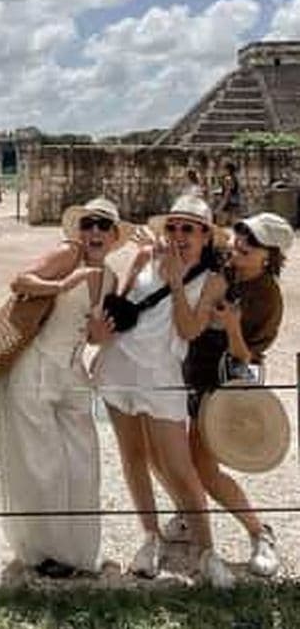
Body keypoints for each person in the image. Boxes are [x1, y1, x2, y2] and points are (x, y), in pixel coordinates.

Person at [93, 194, 234, 587]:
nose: (177, 235)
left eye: (188, 228)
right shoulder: (143, 258)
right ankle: (150, 537)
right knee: (133, 457)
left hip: (163, 374)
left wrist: (174, 281)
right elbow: (117, 308)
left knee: (180, 467)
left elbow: (189, 330)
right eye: (172, 226)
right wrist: (99, 338)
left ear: (205, 236)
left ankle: (207, 551)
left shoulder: (212, 281)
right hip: (121, 365)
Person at [0, 197, 130, 578]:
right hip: (34, 367)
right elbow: (20, 282)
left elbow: (86, 335)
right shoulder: (69, 255)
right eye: (88, 224)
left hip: (72, 373)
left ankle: (77, 549)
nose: (95, 232)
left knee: (83, 458)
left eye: (103, 226)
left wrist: (99, 337)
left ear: (115, 235)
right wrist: (65, 282)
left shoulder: (113, 279)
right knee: (42, 462)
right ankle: (44, 552)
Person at [163, 211, 292, 577]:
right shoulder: (227, 264)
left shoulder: (267, 298)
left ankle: (258, 531)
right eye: (240, 235)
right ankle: (190, 513)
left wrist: (233, 327)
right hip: (190, 369)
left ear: (269, 255)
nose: (239, 246)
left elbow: (247, 356)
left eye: (250, 244)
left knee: (204, 468)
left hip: (221, 383)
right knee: (182, 457)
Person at [214, 162, 242, 226]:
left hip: (228, 200)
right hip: (234, 200)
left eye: (224, 169)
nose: (223, 171)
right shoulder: (234, 178)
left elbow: (228, 191)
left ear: (228, 169)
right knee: (232, 219)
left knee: (223, 220)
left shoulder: (228, 178)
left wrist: (223, 202)